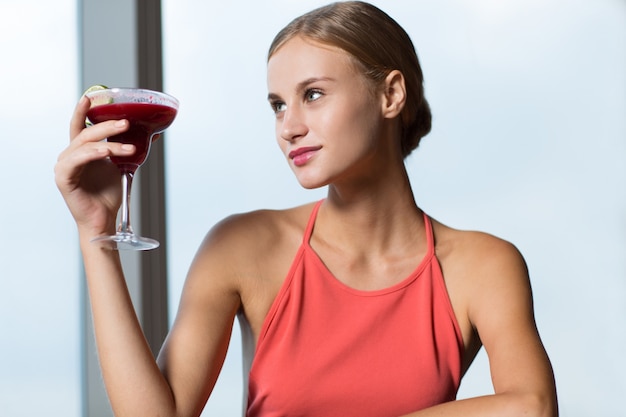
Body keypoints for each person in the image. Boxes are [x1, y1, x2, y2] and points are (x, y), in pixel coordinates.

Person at [55, 1, 558, 416]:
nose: (288, 126)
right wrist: (94, 233)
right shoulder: (242, 246)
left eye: (312, 95)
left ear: (391, 94)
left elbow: (532, 407)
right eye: (278, 104)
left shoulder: (482, 265)